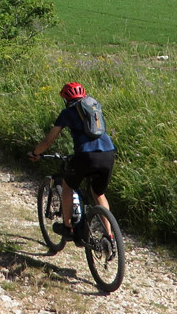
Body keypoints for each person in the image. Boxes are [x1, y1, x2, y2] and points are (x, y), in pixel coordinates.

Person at [28, 82, 116, 244]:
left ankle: (68, 228)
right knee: (99, 193)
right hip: (108, 153)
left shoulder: (67, 113)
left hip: (85, 156)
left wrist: (35, 153)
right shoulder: (95, 108)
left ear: (66, 99)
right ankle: (109, 237)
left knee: (68, 186)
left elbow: (48, 141)